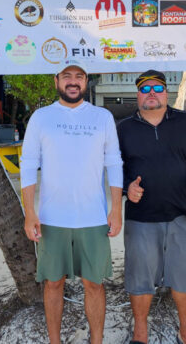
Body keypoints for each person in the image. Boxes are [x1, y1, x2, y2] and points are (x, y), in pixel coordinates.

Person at [20, 60, 124, 344]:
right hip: (52, 218)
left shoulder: (102, 117)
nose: (73, 81)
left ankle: (97, 340)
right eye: (67, 76)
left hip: (93, 218)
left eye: (79, 76)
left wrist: (116, 209)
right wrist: (30, 212)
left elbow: (114, 163)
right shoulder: (41, 117)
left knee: (95, 284)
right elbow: (28, 164)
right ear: (56, 81)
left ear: (86, 81)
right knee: (53, 283)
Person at [116, 70, 186, 344]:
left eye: (157, 88)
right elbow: (112, 167)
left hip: (182, 215)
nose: (151, 94)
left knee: (185, 277)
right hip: (140, 218)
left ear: (166, 93)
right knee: (140, 279)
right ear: (137, 95)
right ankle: (140, 332)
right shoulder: (123, 129)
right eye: (145, 89)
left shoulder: (185, 122)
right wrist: (126, 187)